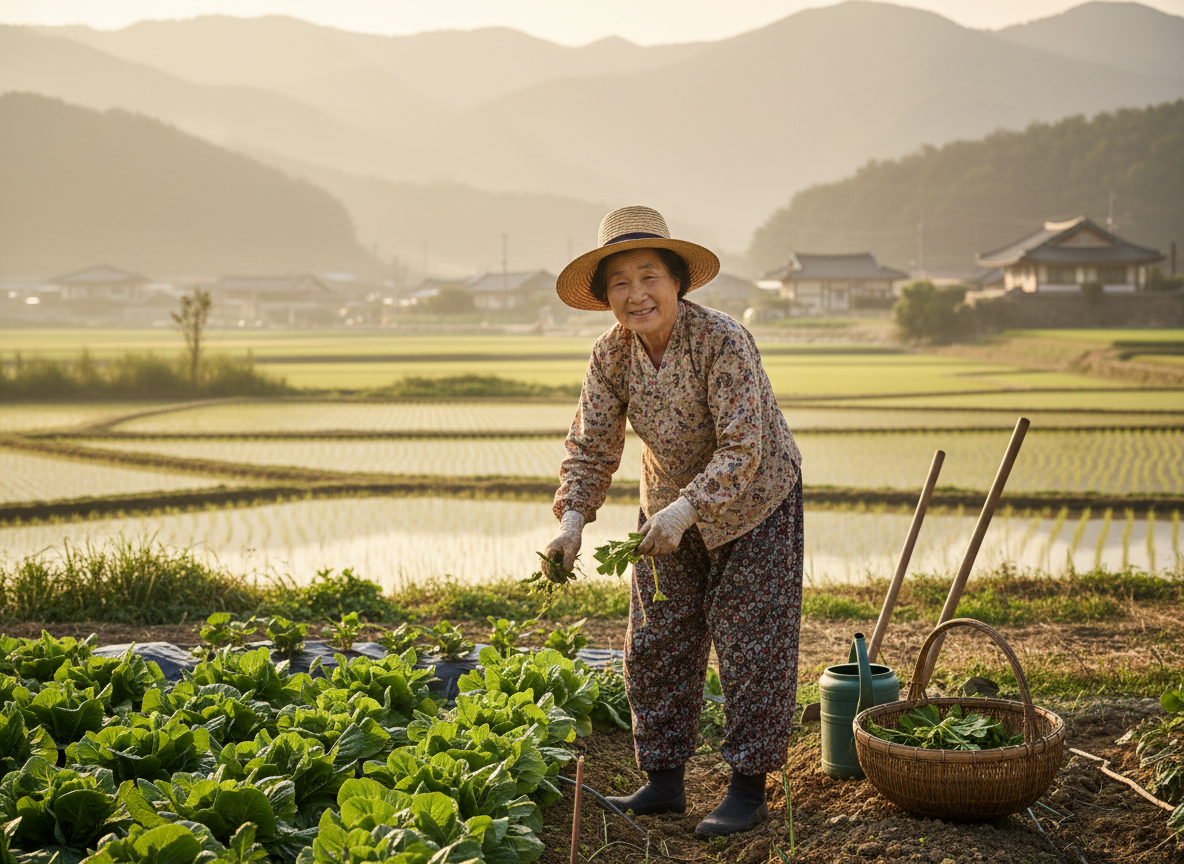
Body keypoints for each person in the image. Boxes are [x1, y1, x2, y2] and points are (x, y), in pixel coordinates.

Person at [544, 205, 804, 837]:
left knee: (751, 645)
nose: (637, 295)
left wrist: (688, 510)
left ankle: (747, 789)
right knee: (656, 642)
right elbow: (591, 445)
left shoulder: (723, 340)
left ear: (677, 282)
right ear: (607, 298)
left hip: (754, 506)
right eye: (620, 284)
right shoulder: (611, 357)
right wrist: (573, 524)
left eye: (649, 276)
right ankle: (662, 782)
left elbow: (745, 448)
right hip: (664, 512)